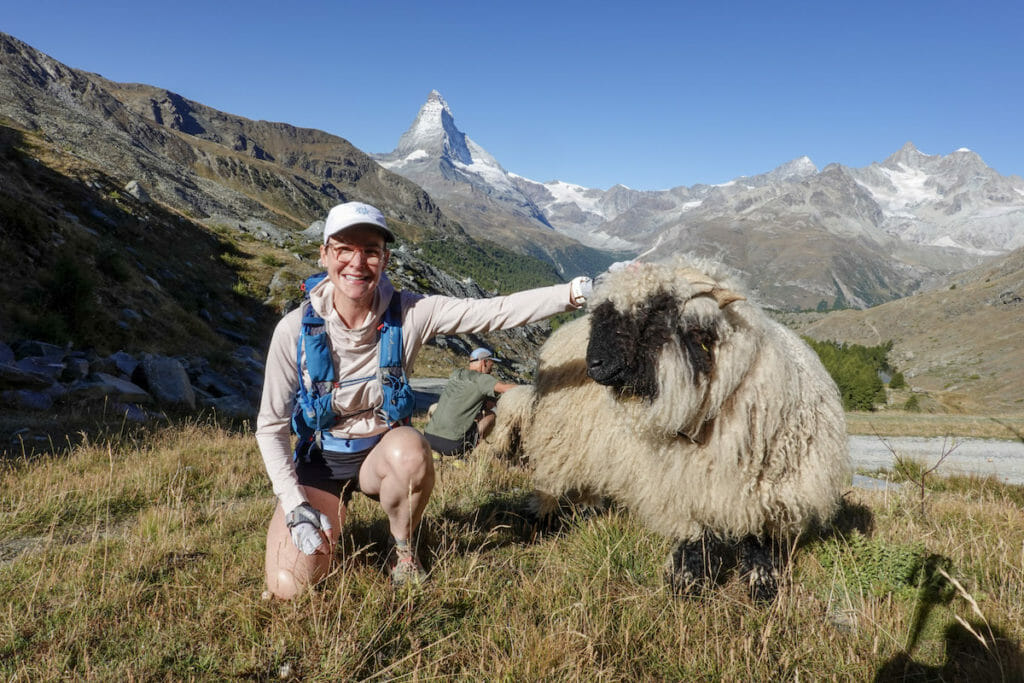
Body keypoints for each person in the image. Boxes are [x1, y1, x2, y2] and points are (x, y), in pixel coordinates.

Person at [256, 201, 592, 599]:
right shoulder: (293, 329)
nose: (357, 263)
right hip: (320, 460)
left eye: (371, 250)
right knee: (288, 587)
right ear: (325, 254)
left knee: (412, 450)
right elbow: (271, 426)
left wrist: (573, 293)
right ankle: (324, 517)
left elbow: (493, 311)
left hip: (381, 451)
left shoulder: (411, 312)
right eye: (344, 249)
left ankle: (403, 550)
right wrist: (294, 503)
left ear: (384, 258)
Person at [423, 347, 515, 458]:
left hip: (428, 439)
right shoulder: (482, 379)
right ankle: (463, 456)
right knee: (491, 416)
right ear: (484, 362)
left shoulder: (456, 374)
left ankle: (436, 453)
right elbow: (505, 388)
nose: (492, 368)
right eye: (492, 364)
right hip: (451, 445)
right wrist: (532, 388)